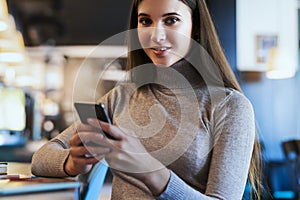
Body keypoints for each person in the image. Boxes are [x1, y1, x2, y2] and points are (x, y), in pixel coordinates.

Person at [31, 0, 262, 199]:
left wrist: (149, 170)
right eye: (145, 21)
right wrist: (72, 162)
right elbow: (40, 159)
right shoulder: (122, 95)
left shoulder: (230, 106)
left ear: (196, 27)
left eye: (171, 20)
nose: (156, 35)